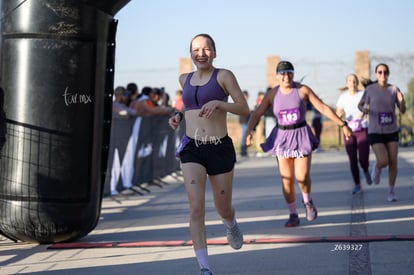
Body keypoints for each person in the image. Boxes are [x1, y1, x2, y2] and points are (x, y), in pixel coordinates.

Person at [168, 33, 249, 275]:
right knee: (196, 208)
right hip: (192, 147)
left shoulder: (223, 76)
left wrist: (219, 103)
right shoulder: (185, 79)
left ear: (214, 52)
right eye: (195, 49)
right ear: (190, 53)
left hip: (218, 146)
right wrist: (178, 117)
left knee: (222, 206)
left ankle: (230, 223)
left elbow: (244, 107)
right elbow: (188, 106)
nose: (200, 53)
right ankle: (204, 268)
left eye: (205, 49)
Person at [246, 61, 352, 227]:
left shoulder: (302, 90)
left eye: (289, 73)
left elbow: (323, 108)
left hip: (301, 136)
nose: (286, 76)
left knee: (301, 177)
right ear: (277, 76)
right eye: (282, 73)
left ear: (293, 74)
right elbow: (256, 114)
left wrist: (342, 124)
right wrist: (249, 133)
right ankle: (293, 213)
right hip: (282, 138)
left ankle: (307, 202)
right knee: (286, 180)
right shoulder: (273, 94)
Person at [358, 63, 406, 202]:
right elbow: (361, 105)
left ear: (388, 74)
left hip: (391, 129)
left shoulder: (393, 89)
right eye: (379, 72)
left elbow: (402, 110)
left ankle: (391, 191)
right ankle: (378, 167)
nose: (382, 74)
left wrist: (402, 101)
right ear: (376, 74)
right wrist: (364, 109)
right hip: (375, 130)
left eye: (385, 72)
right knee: (383, 161)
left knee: (393, 162)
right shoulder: (370, 89)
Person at [336, 74, 372, 195]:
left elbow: (369, 107)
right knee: (352, 159)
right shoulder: (343, 97)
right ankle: (357, 184)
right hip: (349, 130)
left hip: (362, 128)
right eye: (350, 80)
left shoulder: (363, 94)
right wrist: (339, 114)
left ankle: (366, 169)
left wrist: (364, 113)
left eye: (355, 80)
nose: (353, 82)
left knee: (363, 157)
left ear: (357, 83)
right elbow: (338, 113)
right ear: (347, 84)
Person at [238, 90, 250, 157]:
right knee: (244, 136)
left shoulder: (245, 103)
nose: (246, 97)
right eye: (245, 96)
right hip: (243, 122)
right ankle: (243, 151)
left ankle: (244, 151)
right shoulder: (242, 103)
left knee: (245, 136)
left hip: (246, 122)